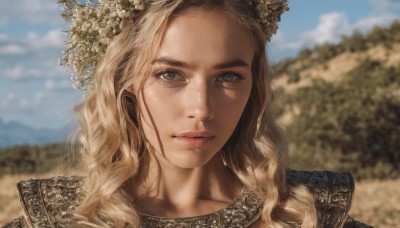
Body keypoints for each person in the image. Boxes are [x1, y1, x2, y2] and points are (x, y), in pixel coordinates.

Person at [4, 0, 371, 227]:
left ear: (253, 87)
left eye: (228, 77)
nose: (201, 109)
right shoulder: (55, 220)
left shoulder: (305, 216)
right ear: (125, 81)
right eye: (169, 74)